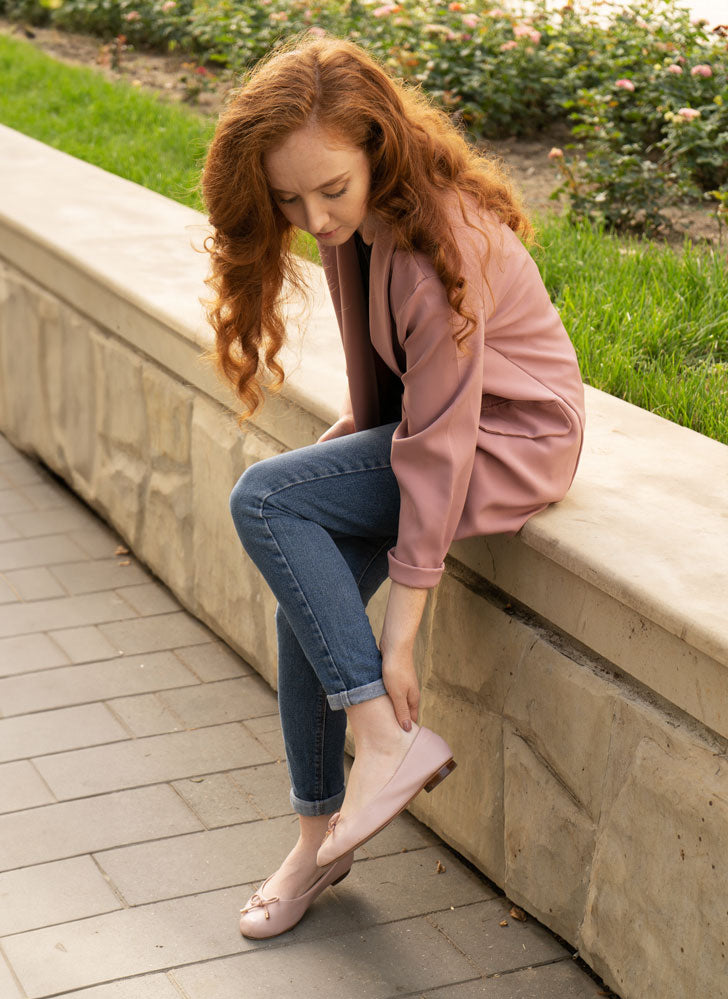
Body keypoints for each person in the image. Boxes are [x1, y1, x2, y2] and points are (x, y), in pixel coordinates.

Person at [201, 35, 585, 940]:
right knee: (306, 582)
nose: (316, 216)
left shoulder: (431, 244)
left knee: (264, 498)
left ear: (377, 145)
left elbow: (442, 446)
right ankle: (315, 845)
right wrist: (341, 456)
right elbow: (384, 393)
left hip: (510, 440)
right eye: (289, 199)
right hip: (433, 431)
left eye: (331, 189)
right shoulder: (353, 229)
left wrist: (401, 643)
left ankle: (386, 741)